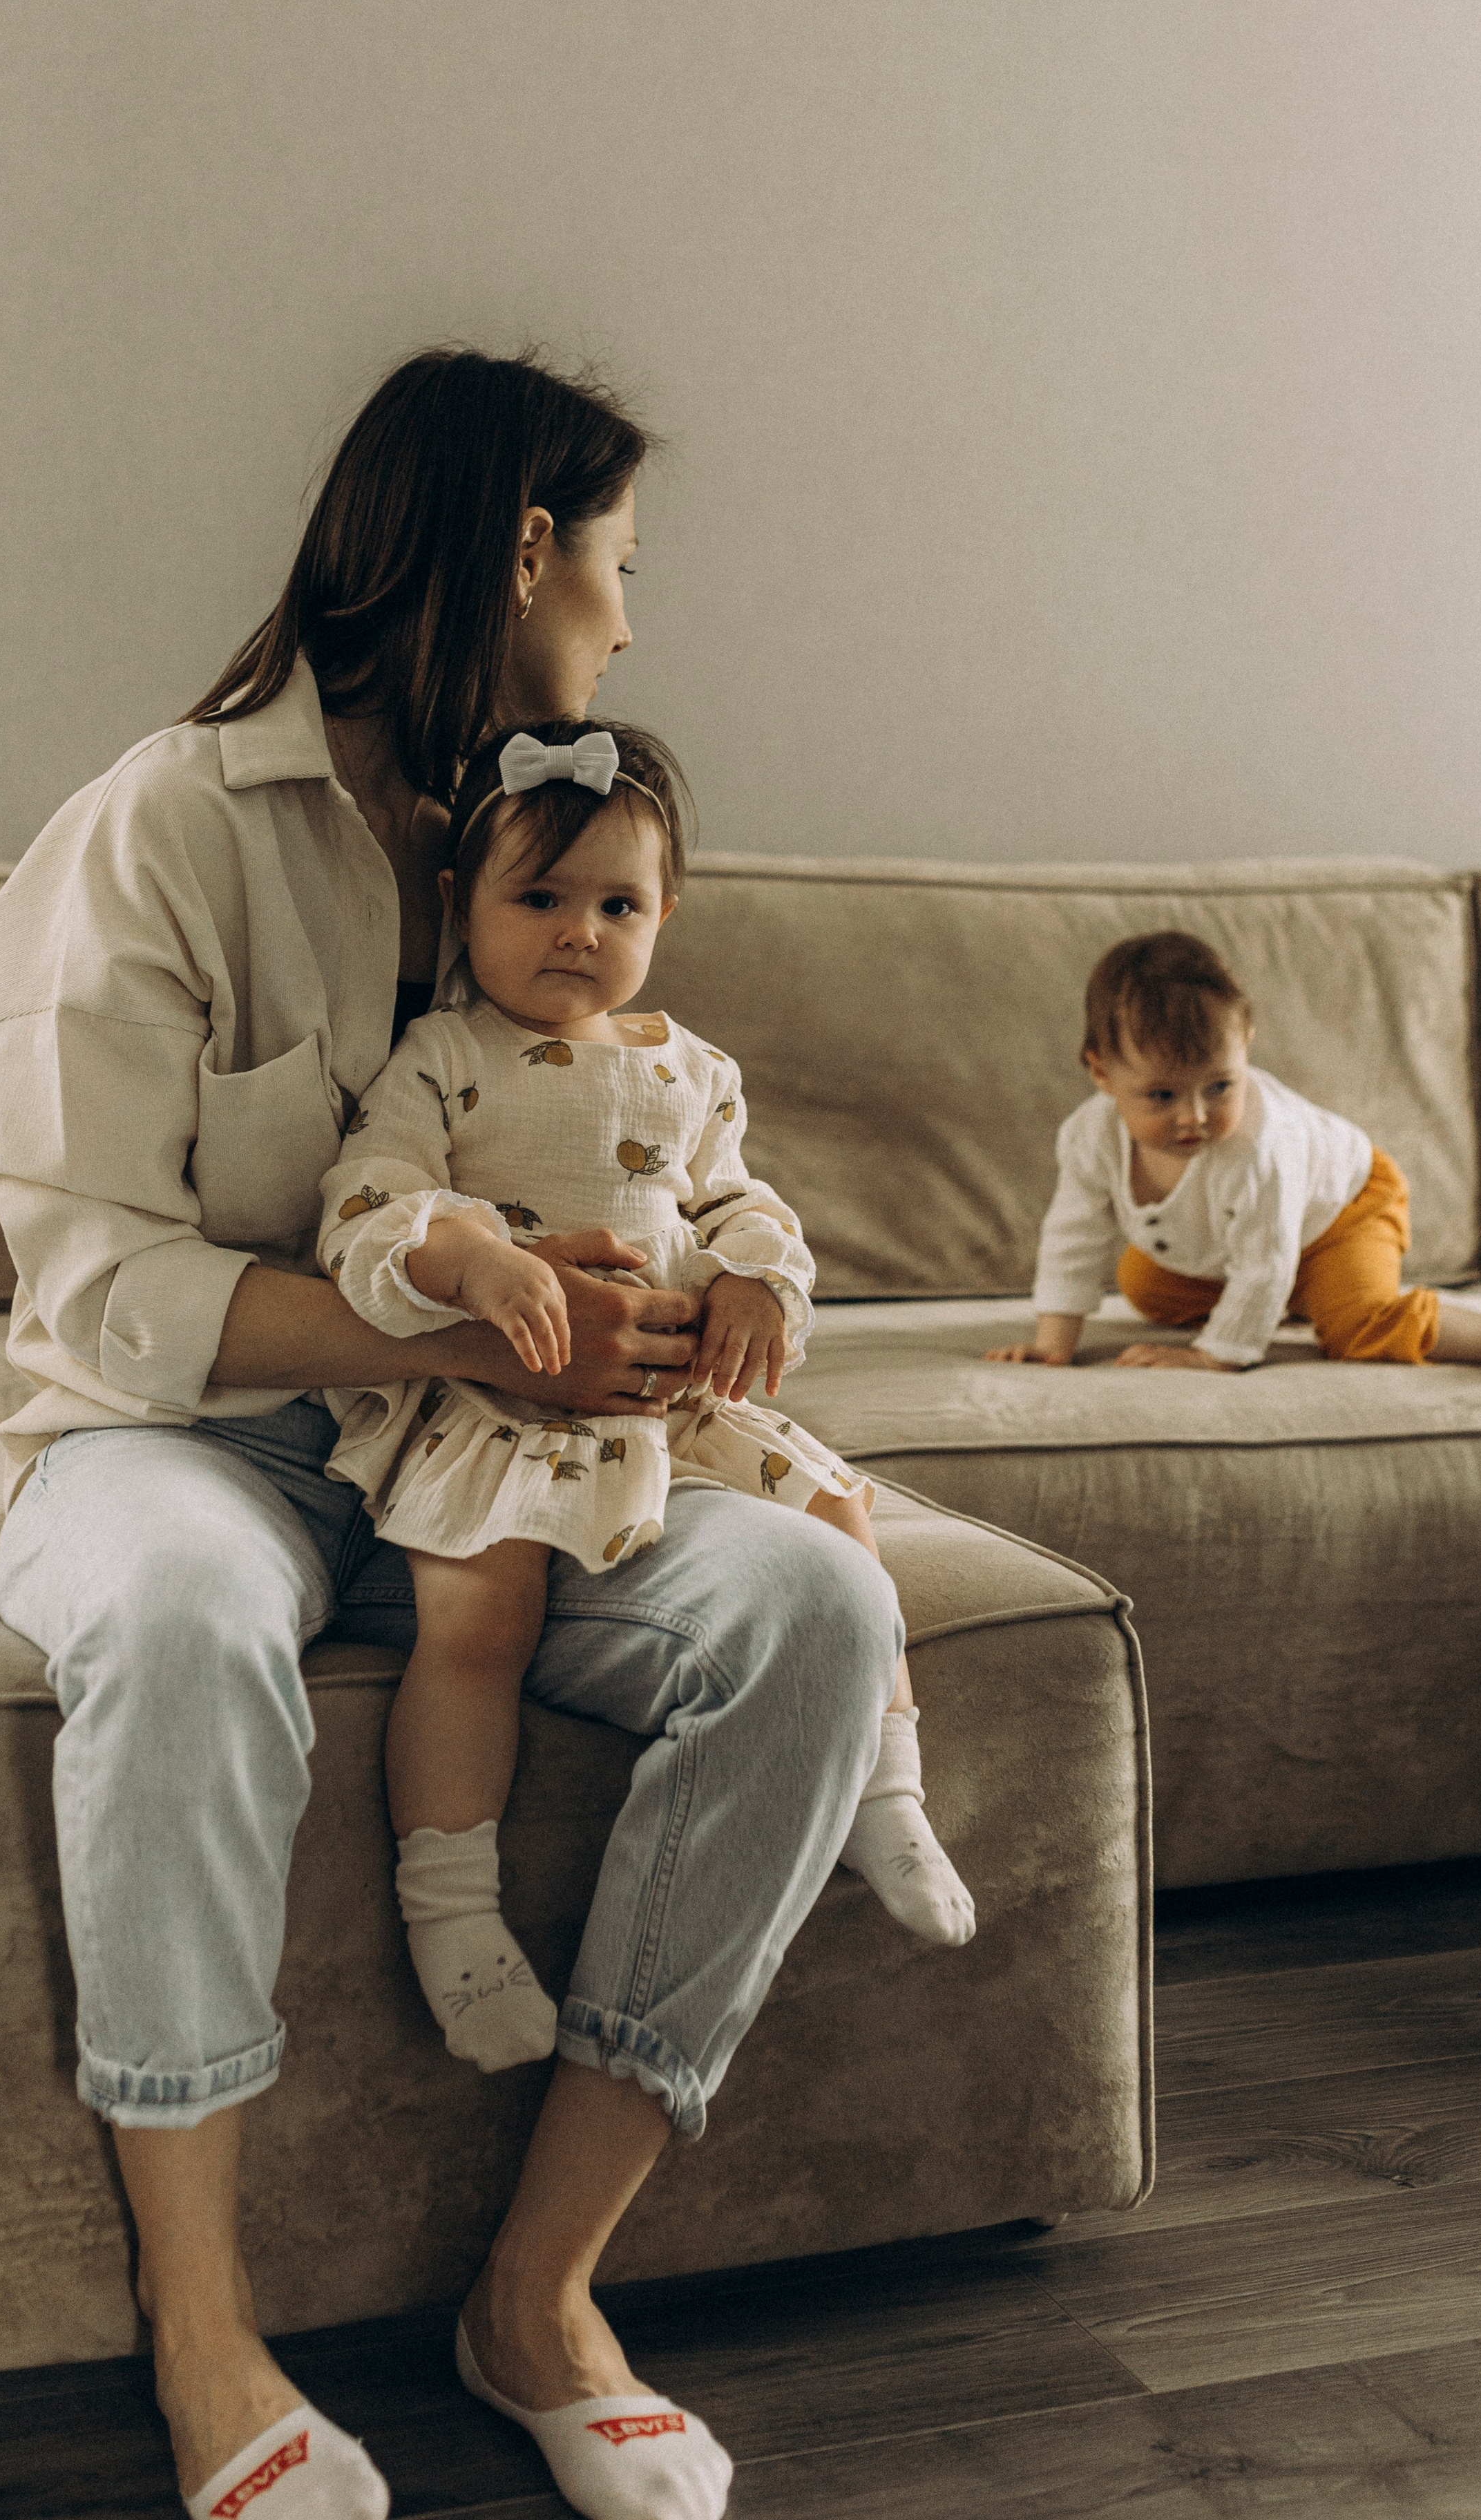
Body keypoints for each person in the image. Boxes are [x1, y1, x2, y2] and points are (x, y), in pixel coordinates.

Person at [0, 347, 905, 2520]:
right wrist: (495, 1339)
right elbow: (89, 1277)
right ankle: (199, 2325)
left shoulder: (546, 841)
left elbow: (670, 1138)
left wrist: (680, 1306)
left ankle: (539, 2288)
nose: (627, 615)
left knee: (814, 1610)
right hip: (185, 1432)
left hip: (500, 1456)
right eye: (619, 562)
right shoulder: (158, 828)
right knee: (192, 1618)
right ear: (521, 548)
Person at [318, 716, 975, 2074]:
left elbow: (741, 1199)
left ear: (665, 912)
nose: (576, 932)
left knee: (840, 1516)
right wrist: (474, 1259)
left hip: (664, 1404)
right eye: (539, 898)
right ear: (460, 904)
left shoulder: (691, 1068)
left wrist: (753, 1280)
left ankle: (886, 1790)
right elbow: (368, 1202)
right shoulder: (443, 1057)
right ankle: (450, 1908)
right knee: (476, 1610)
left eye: (616, 904)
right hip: (499, 1407)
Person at [988, 929, 1481, 1383]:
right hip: (1243, 1243)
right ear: (1101, 1072)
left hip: (1345, 1206)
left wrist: (1215, 1352)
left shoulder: (1258, 1145)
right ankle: (1298, 1298)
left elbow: (1267, 1254)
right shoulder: (1089, 1138)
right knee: (1143, 1282)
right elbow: (1072, 1236)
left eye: (1219, 1086)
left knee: (1355, 1322)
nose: (1195, 1116)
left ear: (1245, 1047)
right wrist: (1053, 1345)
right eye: (1163, 1094)